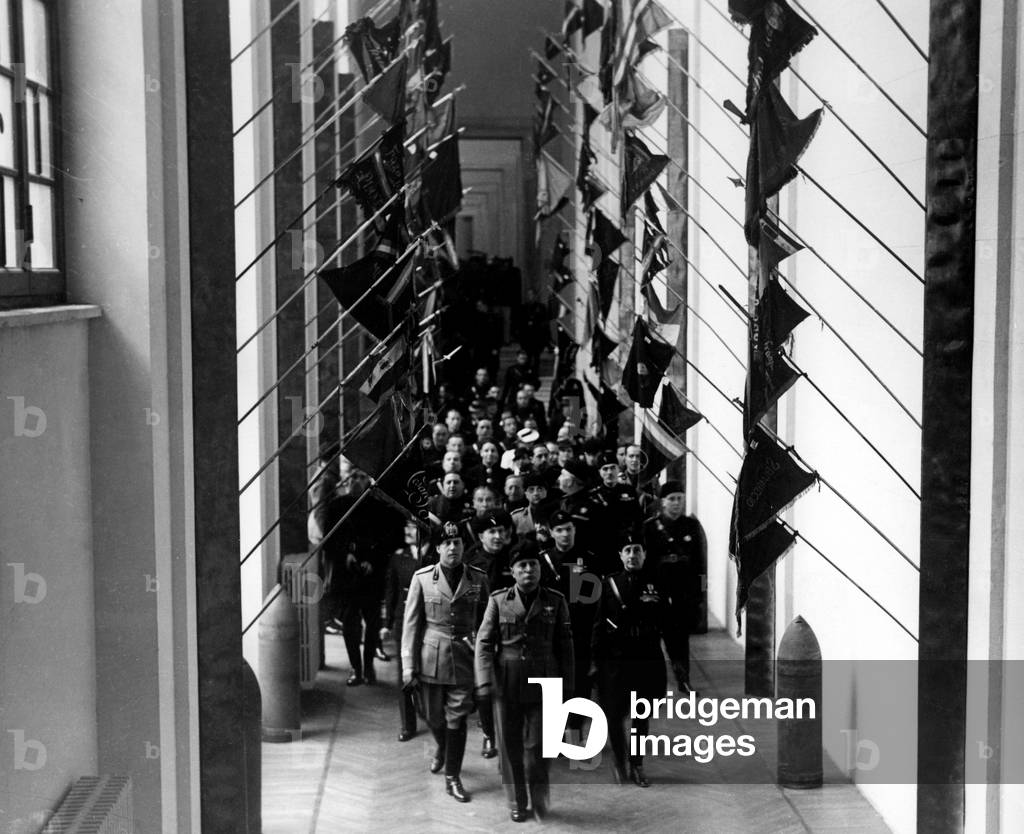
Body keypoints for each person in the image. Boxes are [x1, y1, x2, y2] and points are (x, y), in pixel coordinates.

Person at [475, 540, 574, 822]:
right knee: (510, 747)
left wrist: (568, 687)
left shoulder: (556, 600)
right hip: (507, 683)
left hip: (546, 683)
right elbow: (484, 644)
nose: (529, 569)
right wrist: (484, 682)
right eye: (522, 565)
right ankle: (517, 801)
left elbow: (566, 646)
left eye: (533, 564)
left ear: (540, 569)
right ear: (513, 571)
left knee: (539, 747)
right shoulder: (497, 601)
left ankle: (539, 794)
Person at [402, 522, 491, 803]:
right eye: (447, 544)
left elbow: (487, 623)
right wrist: (408, 665)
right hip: (431, 657)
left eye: (458, 543)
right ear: (438, 548)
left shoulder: (478, 578)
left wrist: (485, 658)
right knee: (433, 717)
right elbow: (411, 625)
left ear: (464, 547)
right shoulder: (422, 578)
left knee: (458, 715)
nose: (453, 548)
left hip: (465, 656)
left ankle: (453, 775)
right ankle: (442, 747)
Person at [591, 531, 687, 787]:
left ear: (644, 554)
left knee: (640, 715)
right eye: (628, 550)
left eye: (637, 550)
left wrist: (678, 662)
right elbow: (599, 625)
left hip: (646, 658)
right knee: (613, 713)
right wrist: (594, 660)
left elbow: (669, 626)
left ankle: (636, 765)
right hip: (616, 659)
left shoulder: (657, 582)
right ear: (620, 555)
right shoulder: (609, 583)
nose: (632, 555)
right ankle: (620, 759)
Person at [323, 463, 403, 686]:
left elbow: (392, 539)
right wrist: (344, 554)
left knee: (373, 622)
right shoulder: (337, 506)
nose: (355, 481)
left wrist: (373, 560)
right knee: (350, 623)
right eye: (352, 476)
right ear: (345, 479)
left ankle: (368, 666)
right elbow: (329, 540)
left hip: (372, 574)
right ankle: (356, 668)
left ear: (368, 480)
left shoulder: (379, 508)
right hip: (347, 575)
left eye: (361, 476)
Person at [642, 481, 707, 691]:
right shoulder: (650, 527)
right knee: (652, 640)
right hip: (657, 591)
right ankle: (653, 683)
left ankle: (683, 679)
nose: (676, 503)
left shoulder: (692, 526)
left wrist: (701, 594)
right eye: (671, 499)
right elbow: (645, 564)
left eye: (680, 498)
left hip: (683, 593)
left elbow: (700, 565)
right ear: (662, 502)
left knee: (680, 640)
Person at [544, 510, 602, 738]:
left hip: (581, 632)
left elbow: (595, 602)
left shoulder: (589, 560)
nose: (565, 534)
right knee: (554, 683)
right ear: (551, 533)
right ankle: (556, 732)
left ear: (575, 530)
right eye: (559, 530)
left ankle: (575, 729)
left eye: (568, 529)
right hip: (552, 633)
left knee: (580, 683)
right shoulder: (544, 560)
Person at [381, 519, 433, 742]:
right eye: (407, 526)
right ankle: (407, 724)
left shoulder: (436, 557)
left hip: (431, 620)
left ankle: (431, 714)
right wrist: (387, 623)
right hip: (405, 620)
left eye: (412, 527)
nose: (407, 531)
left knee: (430, 668)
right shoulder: (398, 556)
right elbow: (391, 591)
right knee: (405, 670)